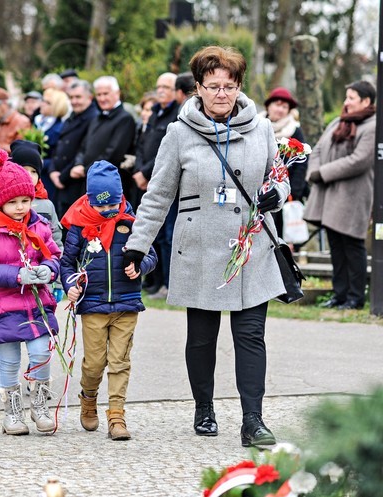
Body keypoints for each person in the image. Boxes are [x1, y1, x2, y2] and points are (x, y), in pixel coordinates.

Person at [123, 46, 290, 448]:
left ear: (239, 87)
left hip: (249, 246)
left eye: (229, 86)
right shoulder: (179, 133)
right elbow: (159, 194)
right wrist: (137, 245)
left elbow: (279, 177)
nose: (221, 93)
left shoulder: (262, 128)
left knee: (250, 335)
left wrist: (277, 194)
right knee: (201, 338)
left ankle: (253, 420)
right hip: (198, 248)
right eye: (213, 86)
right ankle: (204, 407)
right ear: (197, 87)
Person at [60, 160, 157, 440]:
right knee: (94, 363)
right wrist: (70, 284)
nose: (107, 211)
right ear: (90, 200)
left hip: (127, 304)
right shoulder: (78, 226)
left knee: (120, 362)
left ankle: (116, 416)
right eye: (101, 206)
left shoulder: (131, 221)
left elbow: (150, 254)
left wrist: (140, 265)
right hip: (93, 305)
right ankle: (88, 398)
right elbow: (66, 263)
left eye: (112, 204)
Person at [0, 149, 61, 435]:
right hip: (4, 307)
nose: (21, 207)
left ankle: (40, 403)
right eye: (13, 202)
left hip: (36, 306)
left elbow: (54, 254)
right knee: (8, 362)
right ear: (0, 202)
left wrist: (50, 269)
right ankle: (12, 411)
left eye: (26, 200)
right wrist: (17, 275)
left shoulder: (39, 226)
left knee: (41, 353)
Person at [304, 80, 376, 310]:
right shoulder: (338, 122)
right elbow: (317, 149)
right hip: (330, 195)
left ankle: (355, 297)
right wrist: (313, 171)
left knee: (353, 246)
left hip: (353, 196)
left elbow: (359, 161)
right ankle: (340, 294)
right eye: (346, 97)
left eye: (351, 98)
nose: (346, 102)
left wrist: (323, 173)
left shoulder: (373, 126)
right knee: (336, 245)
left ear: (366, 101)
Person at [133, 72, 180, 299]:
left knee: (169, 236)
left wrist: (147, 172)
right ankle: (156, 281)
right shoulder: (154, 113)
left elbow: (166, 151)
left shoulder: (176, 114)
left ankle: (170, 284)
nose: (161, 90)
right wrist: (139, 170)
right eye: (159, 86)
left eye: (167, 87)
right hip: (146, 180)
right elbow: (142, 145)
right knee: (156, 236)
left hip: (161, 180)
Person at [69, 76, 136, 215]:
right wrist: (78, 163)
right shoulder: (96, 118)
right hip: (88, 180)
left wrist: (85, 169)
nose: (102, 98)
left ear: (117, 93)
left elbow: (114, 153)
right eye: (99, 94)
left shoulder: (125, 119)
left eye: (106, 93)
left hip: (109, 185)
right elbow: (84, 146)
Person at [260, 87, 310, 240]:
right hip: (260, 191)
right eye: (277, 104)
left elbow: (302, 162)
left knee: (281, 237)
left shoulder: (294, 130)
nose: (280, 109)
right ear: (268, 105)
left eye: (285, 107)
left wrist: (292, 192)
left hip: (285, 193)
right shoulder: (257, 125)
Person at [49, 80, 99, 220]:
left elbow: (83, 151)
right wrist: (52, 170)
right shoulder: (71, 117)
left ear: (89, 97)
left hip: (74, 181)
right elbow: (59, 146)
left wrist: (62, 176)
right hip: (60, 180)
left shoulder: (94, 118)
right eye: (71, 97)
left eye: (78, 97)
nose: (74, 101)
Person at [33, 88, 70, 201]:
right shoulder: (37, 121)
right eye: (43, 100)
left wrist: (42, 162)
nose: (42, 104)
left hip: (47, 175)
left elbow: (58, 155)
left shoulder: (60, 128)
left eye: (47, 102)